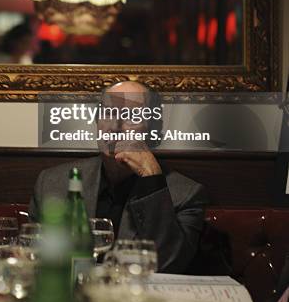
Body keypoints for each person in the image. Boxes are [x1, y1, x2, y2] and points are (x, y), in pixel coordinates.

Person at [29, 81, 209, 274]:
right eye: (108, 113)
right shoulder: (52, 183)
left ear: (154, 130)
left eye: (131, 116)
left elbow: (168, 265)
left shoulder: (185, 194)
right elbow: (35, 261)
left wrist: (152, 180)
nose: (115, 126)